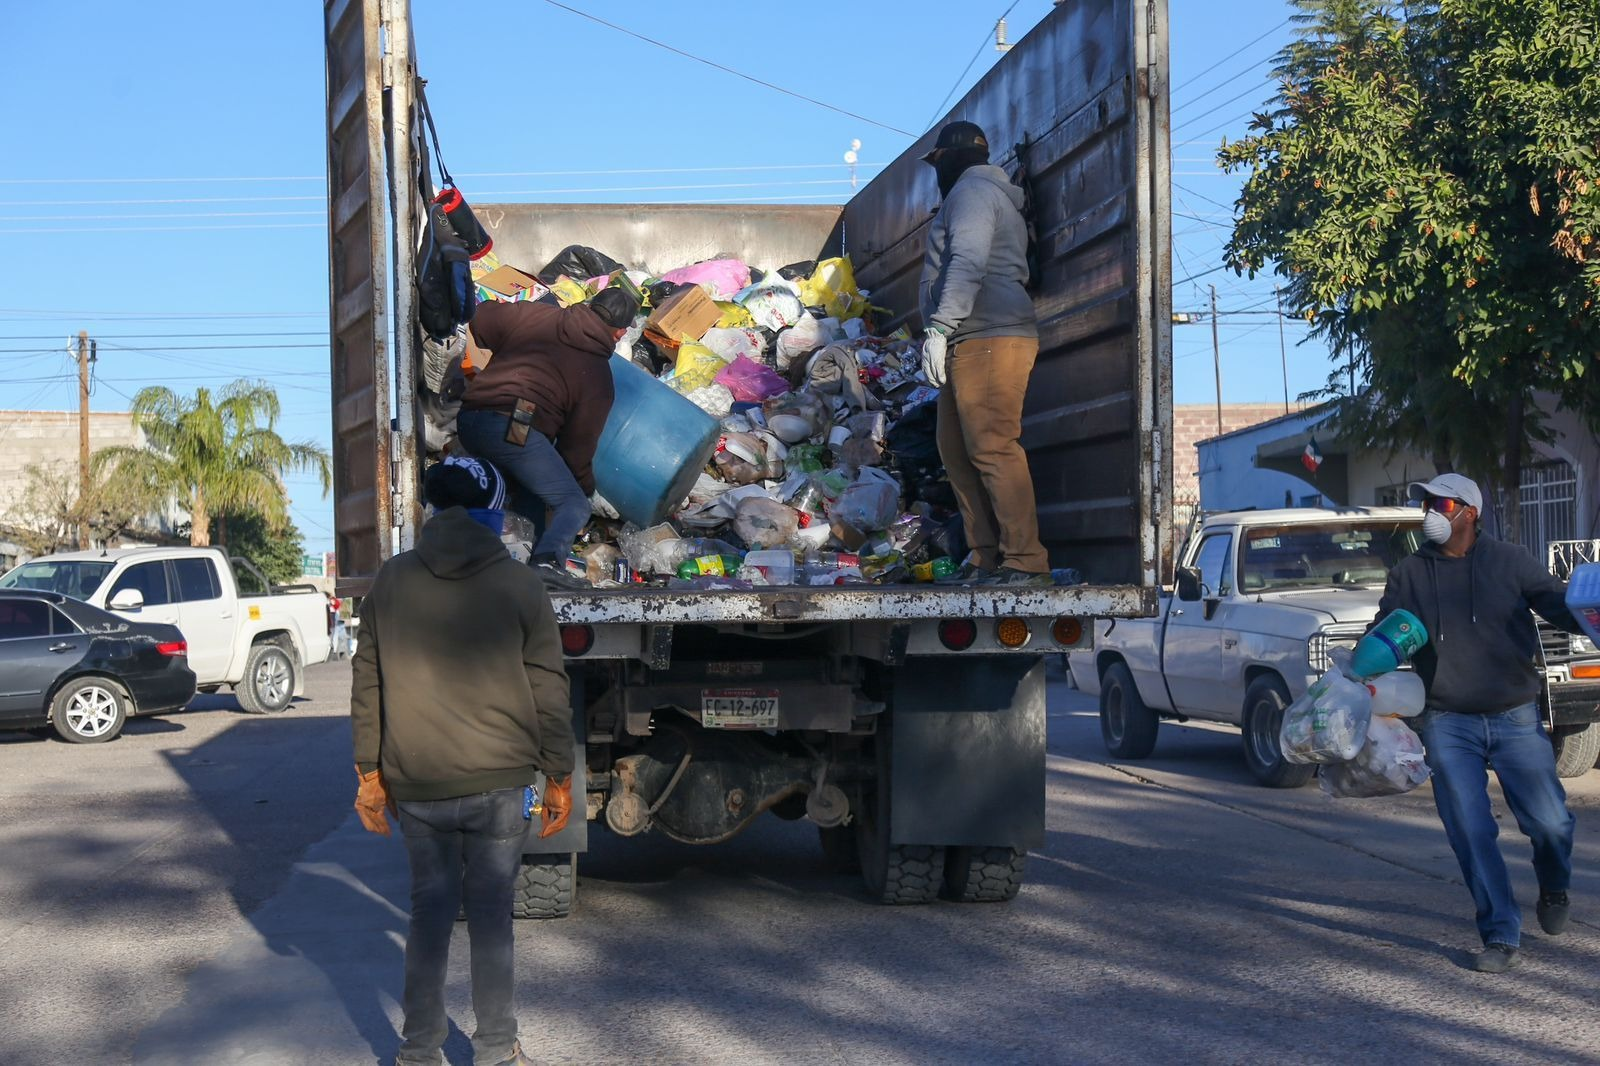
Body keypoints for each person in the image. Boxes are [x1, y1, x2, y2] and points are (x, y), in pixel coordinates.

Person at [351, 454, 575, 1065]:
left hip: (417, 784)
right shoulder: (521, 583)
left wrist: (369, 774)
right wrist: (559, 774)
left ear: (429, 513)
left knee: (429, 911)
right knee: (491, 916)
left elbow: (366, 682)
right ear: (493, 516)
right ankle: (498, 1050)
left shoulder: (391, 581)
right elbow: (550, 689)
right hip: (501, 784)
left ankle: (418, 1052)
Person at [1374, 473, 1578, 973]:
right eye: (1424, 505)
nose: (1429, 514)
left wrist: (1592, 610)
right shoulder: (1409, 574)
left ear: (1470, 512)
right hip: (1447, 721)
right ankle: (1500, 934)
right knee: (1468, 827)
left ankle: (1553, 884)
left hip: (1513, 714)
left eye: (1440, 504)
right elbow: (1383, 636)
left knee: (1550, 822)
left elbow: (1564, 607)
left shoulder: (1511, 562)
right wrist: (1360, 666)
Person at [917, 120, 1049, 587]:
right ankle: (985, 556)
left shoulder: (972, 193)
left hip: (990, 334)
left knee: (993, 447)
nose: (937, 172)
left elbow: (967, 262)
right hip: (968, 337)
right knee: (955, 451)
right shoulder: (974, 194)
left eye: (937, 163)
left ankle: (1026, 561)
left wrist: (939, 325)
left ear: (949, 159)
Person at [456, 285, 641, 590]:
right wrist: (582, 489)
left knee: (530, 491)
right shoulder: (597, 375)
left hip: (471, 416)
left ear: (591, 306)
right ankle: (546, 563)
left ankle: (510, 566)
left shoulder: (536, 315)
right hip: (514, 423)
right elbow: (577, 448)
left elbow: (481, 317)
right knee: (573, 504)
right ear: (620, 333)